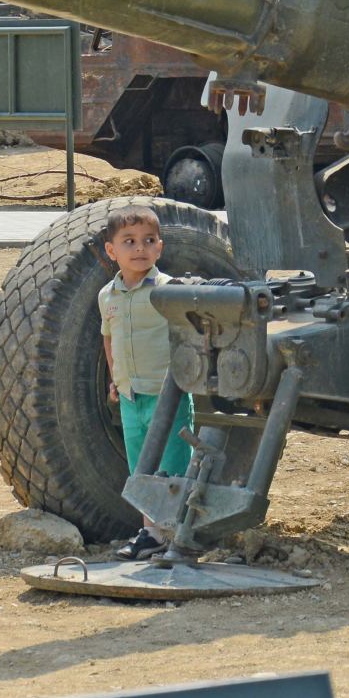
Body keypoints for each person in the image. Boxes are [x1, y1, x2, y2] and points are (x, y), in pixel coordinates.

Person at [98, 206, 192, 561]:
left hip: (167, 395)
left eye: (148, 241)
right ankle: (151, 532)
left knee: (173, 464)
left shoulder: (169, 292)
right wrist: (114, 377)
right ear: (112, 251)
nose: (140, 249)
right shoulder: (107, 296)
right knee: (142, 468)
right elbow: (109, 338)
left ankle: (179, 532)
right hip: (130, 396)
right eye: (130, 241)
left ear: (160, 248)